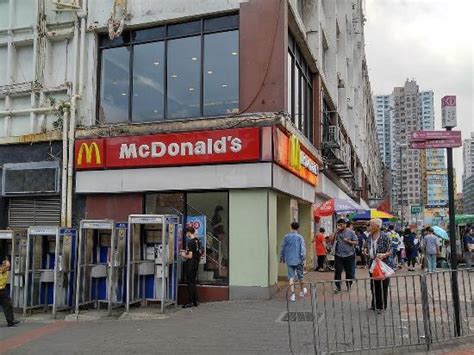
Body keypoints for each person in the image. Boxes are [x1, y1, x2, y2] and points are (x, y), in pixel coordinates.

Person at [365, 218, 392, 314]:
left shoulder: (385, 236)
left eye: (371, 225)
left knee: (383, 285)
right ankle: (374, 304)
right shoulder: (369, 237)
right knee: (373, 285)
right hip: (372, 264)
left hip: (382, 264)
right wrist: (365, 251)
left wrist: (384, 255)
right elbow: (366, 247)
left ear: (377, 226)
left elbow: (390, 250)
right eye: (370, 225)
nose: (370, 227)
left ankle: (382, 306)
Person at [280, 222, 307, 302]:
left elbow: (283, 247)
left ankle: (293, 295)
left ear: (291, 227)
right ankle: (302, 291)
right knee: (300, 276)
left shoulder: (286, 237)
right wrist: (303, 259)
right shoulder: (300, 237)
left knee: (291, 277)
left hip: (289, 259)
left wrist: (282, 257)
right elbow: (302, 249)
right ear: (298, 228)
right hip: (298, 259)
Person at [333, 218, 358, 293]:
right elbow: (331, 239)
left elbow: (356, 242)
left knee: (349, 271)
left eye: (341, 225)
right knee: (338, 271)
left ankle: (349, 285)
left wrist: (349, 241)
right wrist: (335, 231)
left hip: (349, 255)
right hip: (338, 255)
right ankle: (338, 287)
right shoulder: (337, 232)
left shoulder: (351, 232)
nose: (340, 226)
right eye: (338, 225)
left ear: (345, 225)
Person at [181, 227, 201, 308]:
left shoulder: (190, 242)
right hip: (196, 263)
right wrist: (187, 251)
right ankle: (195, 301)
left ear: (189, 232)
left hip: (191, 264)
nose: (186, 235)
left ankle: (190, 301)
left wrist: (183, 255)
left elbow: (190, 256)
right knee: (193, 282)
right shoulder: (197, 241)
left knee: (190, 283)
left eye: (186, 233)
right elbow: (195, 252)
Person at [0, 260, 19, 326]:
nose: (8, 269)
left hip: (2, 290)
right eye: (7, 267)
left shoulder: (6, 273)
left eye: (9, 267)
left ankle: (10, 321)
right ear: (3, 265)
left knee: (8, 305)